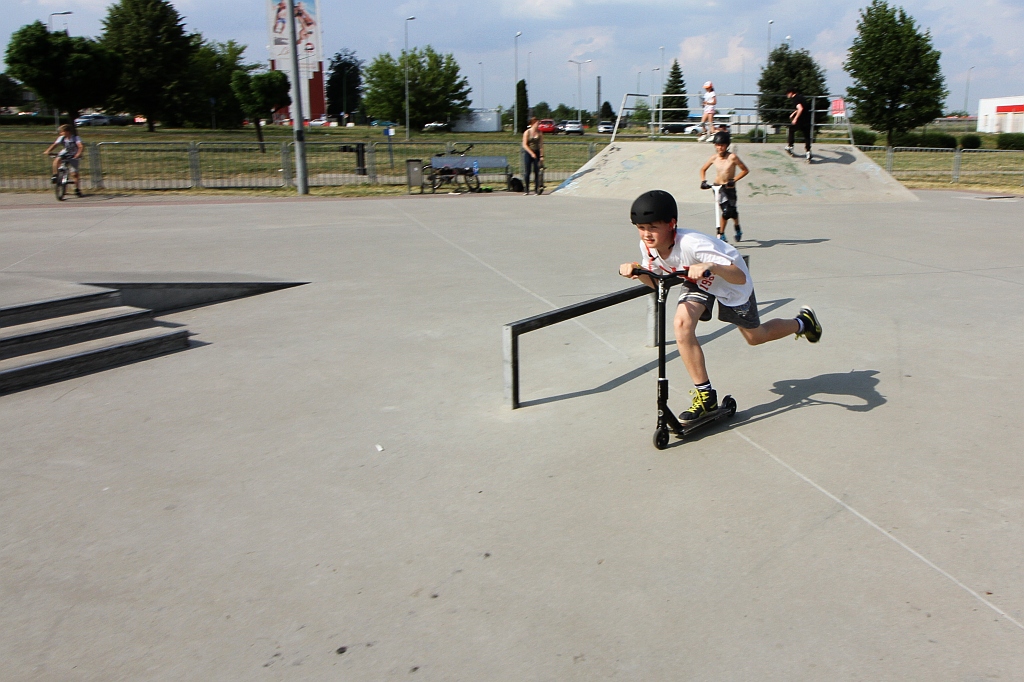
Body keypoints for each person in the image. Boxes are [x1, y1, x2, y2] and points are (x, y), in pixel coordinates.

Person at [618, 190, 821, 421]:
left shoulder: (693, 245)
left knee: (756, 337)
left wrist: (712, 266)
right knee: (682, 325)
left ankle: (803, 323)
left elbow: (739, 277)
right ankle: (706, 397)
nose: (646, 234)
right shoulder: (648, 248)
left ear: (671, 223)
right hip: (699, 281)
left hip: (730, 283)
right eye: (641, 227)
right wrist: (637, 272)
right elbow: (655, 283)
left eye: (652, 227)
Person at [699, 131, 748, 243]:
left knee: (732, 212)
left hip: (729, 188)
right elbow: (703, 169)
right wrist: (703, 181)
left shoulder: (732, 157)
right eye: (717, 145)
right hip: (718, 188)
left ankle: (737, 227)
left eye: (722, 145)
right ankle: (721, 234)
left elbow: (745, 170)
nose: (719, 148)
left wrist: (733, 180)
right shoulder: (714, 158)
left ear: (727, 145)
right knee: (726, 212)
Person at [44, 124, 84, 198]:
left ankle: (77, 189)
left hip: (74, 154)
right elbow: (55, 144)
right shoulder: (61, 138)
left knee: (74, 174)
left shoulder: (76, 138)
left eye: (62, 132)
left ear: (67, 132)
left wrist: (78, 154)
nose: (61, 133)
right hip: (65, 152)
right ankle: (55, 175)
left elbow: (80, 146)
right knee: (57, 159)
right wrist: (48, 151)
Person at [785, 86, 812, 161]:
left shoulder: (795, 99)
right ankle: (808, 152)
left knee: (791, 129)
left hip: (801, 119)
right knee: (806, 135)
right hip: (807, 118)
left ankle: (790, 146)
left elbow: (800, 108)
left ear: (790, 93)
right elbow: (802, 107)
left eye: (787, 94)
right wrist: (793, 113)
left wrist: (795, 118)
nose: (787, 96)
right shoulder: (801, 97)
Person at [521, 116, 544, 196]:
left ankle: (536, 189)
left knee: (537, 171)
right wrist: (531, 153)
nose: (538, 124)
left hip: (537, 152)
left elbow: (541, 145)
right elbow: (524, 145)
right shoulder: (527, 132)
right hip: (528, 152)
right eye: (537, 123)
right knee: (527, 171)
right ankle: (526, 189)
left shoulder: (539, 133)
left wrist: (541, 156)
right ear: (533, 123)